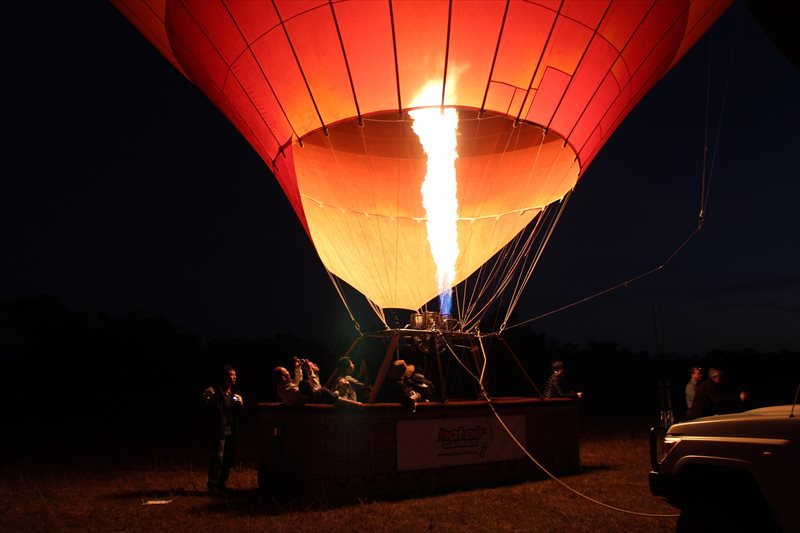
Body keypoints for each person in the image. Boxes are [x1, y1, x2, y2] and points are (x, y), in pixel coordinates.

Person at [203, 365, 243, 496]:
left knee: (228, 459)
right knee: (217, 459)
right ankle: (213, 485)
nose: (234, 377)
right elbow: (208, 406)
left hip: (231, 430)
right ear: (224, 377)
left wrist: (241, 404)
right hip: (219, 430)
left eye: (235, 375)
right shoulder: (215, 393)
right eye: (231, 375)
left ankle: (221, 483)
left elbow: (237, 412)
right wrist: (207, 398)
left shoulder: (233, 394)